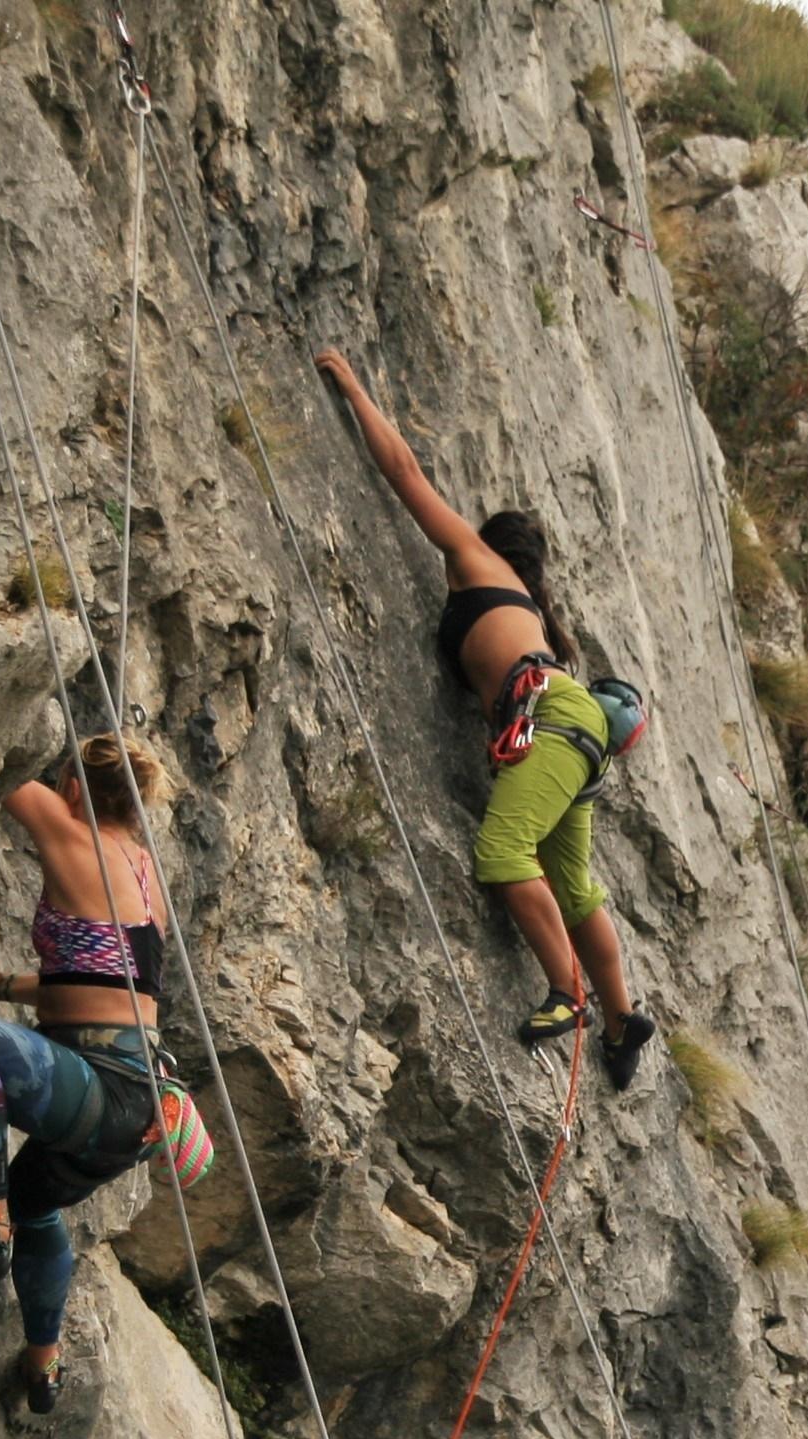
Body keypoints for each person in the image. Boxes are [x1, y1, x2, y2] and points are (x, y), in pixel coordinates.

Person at [314, 346, 658, 1088]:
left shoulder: (476, 561)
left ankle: (570, 995)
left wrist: (350, 385)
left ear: (490, 542)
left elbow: (404, 473)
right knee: (573, 888)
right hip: (574, 734)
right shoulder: (533, 611)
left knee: (504, 853)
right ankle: (625, 1019)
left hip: (556, 722)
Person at [0, 732, 192, 1415]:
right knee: (38, 1202)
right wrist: (2, 983)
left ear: (75, 788)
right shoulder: (142, 872)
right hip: (135, 1104)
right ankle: (44, 1364)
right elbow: (99, 975)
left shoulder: (70, 832)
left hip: (101, 1084)